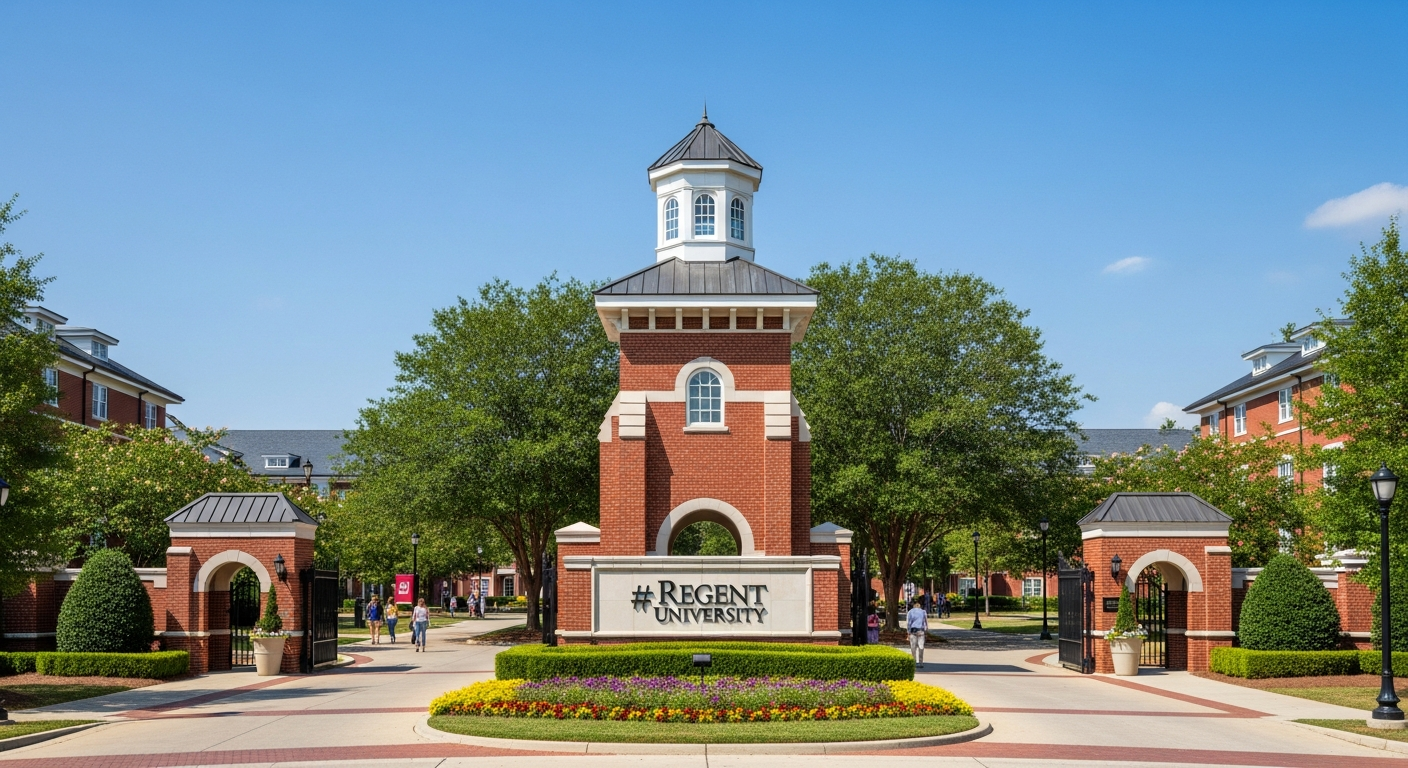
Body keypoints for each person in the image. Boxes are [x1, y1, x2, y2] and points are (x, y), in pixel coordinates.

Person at [907, 599, 929, 666]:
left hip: (913, 631)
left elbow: (909, 622)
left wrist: (908, 631)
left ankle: (914, 661)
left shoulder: (910, 612)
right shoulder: (923, 612)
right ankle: (921, 662)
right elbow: (925, 622)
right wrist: (926, 630)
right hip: (921, 631)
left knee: (913, 647)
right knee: (921, 646)